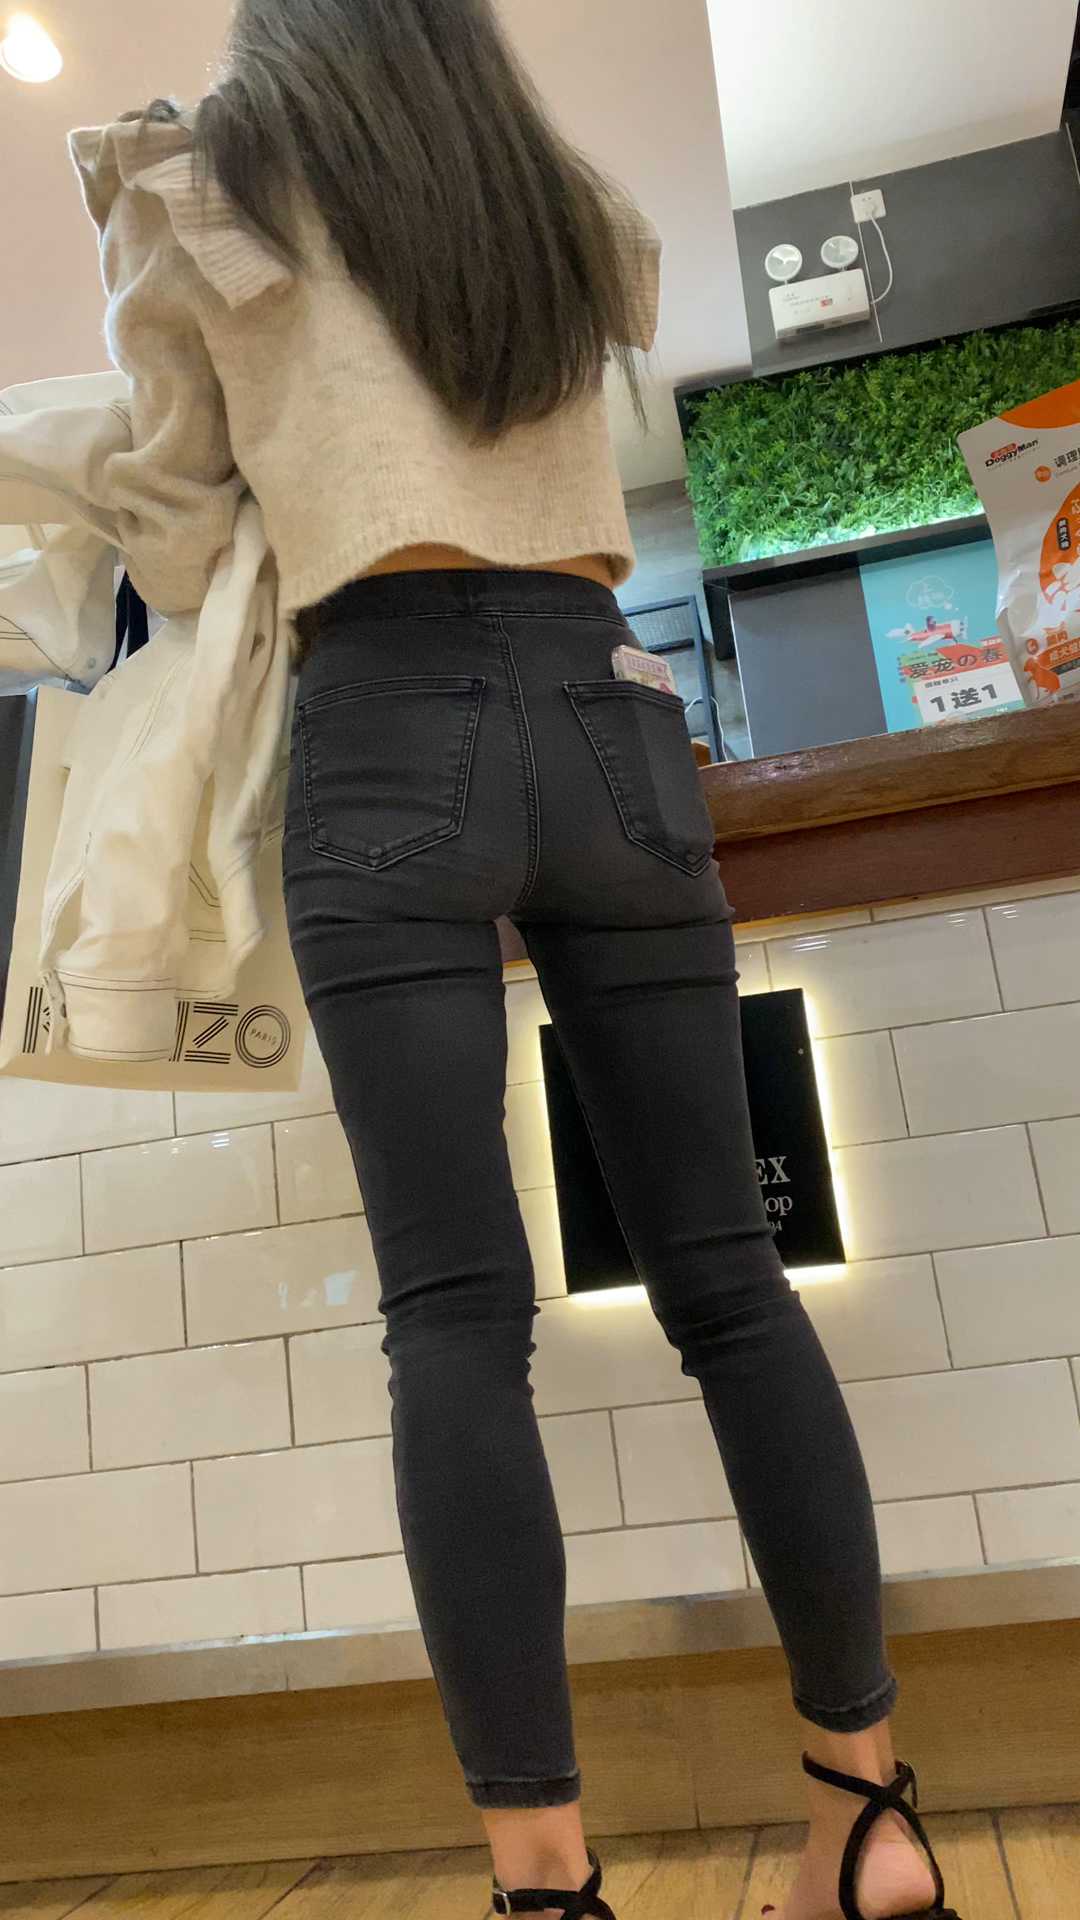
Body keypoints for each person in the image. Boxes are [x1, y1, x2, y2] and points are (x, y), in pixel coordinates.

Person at [71, 5, 959, 1917]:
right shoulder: (551, 193)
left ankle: (547, 1885)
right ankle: (868, 1815)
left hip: (387, 712)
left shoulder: (203, 183)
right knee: (731, 1285)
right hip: (610, 691)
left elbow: (179, 548)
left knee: (456, 1320)